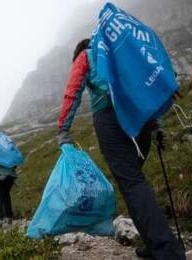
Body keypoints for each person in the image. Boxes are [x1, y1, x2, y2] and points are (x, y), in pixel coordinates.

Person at [57, 39, 185, 259]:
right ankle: (154, 244)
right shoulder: (118, 52)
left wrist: (63, 130)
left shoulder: (86, 56)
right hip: (140, 119)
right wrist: (156, 127)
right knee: (134, 182)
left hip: (110, 121)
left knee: (132, 183)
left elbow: (73, 91)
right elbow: (141, 88)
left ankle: (167, 251)